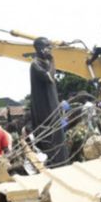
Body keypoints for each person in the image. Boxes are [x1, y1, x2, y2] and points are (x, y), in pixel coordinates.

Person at [29, 37, 68, 165]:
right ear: (40, 48)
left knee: (58, 136)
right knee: (49, 137)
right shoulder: (35, 65)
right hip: (44, 108)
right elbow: (49, 77)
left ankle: (62, 161)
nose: (50, 50)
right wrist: (52, 61)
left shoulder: (45, 63)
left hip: (53, 106)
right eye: (48, 47)